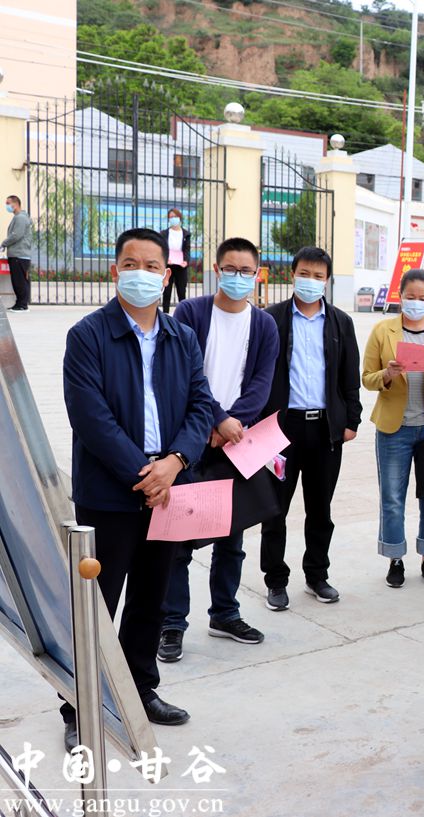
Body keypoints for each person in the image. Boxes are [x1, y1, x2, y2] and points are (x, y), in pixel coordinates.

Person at [61, 227, 214, 750]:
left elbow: (201, 405)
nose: (141, 274)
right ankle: (78, 705)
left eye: (152, 266)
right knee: (96, 604)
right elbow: (90, 416)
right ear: (115, 271)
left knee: (151, 597)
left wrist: (174, 463)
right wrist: (142, 473)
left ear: (166, 276)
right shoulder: (88, 335)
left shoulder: (181, 337)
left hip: (169, 488)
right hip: (110, 491)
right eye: (132, 264)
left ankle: (140, 690)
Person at [158, 237, 279, 663]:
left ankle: (225, 613)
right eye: (231, 268)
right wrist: (213, 419)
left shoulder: (263, 325)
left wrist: (232, 424)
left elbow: (261, 383)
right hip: (188, 438)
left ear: (257, 275)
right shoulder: (191, 313)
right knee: (178, 536)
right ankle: (172, 623)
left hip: (236, 441)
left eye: (246, 271)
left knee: (233, 533)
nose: (238, 277)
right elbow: (182, 374)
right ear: (216, 269)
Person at [260, 247, 362, 610]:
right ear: (292, 274)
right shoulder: (270, 319)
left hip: (324, 430)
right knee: (275, 510)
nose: (311, 281)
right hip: (281, 431)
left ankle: (317, 575)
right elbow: (258, 373)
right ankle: (275, 580)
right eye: (305, 274)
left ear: (327, 281)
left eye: (318, 276)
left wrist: (351, 420)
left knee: (320, 509)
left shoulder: (340, 322)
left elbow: (350, 375)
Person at [362, 267, 424, 589]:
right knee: (392, 497)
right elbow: (367, 378)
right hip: (395, 428)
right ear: (400, 296)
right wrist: (387, 374)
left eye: (422, 297)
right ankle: (395, 558)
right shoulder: (382, 330)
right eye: (410, 296)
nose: (416, 302)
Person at [2, 194, 32, 311]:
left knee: (19, 281)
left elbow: (16, 235)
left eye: (8, 203)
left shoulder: (20, 218)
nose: (7, 206)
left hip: (19, 255)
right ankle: (20, 303)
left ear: (15, 204)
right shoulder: (20, 217)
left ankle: (22, 305)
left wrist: (4, 243)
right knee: (19, 281)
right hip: (19, 255)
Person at [160, 208, 192, 314]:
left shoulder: (186, 234)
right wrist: (165, 259)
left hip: (181, 266)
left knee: (181, 292)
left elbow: (187, 249)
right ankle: (165, 314)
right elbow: (162, 248)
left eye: (175, 217)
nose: (173, 219)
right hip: (168, 265)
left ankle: (183, 314)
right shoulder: (164, 233)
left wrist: (186, 261)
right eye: (171, 217)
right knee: (167, 292)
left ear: (179, 218)